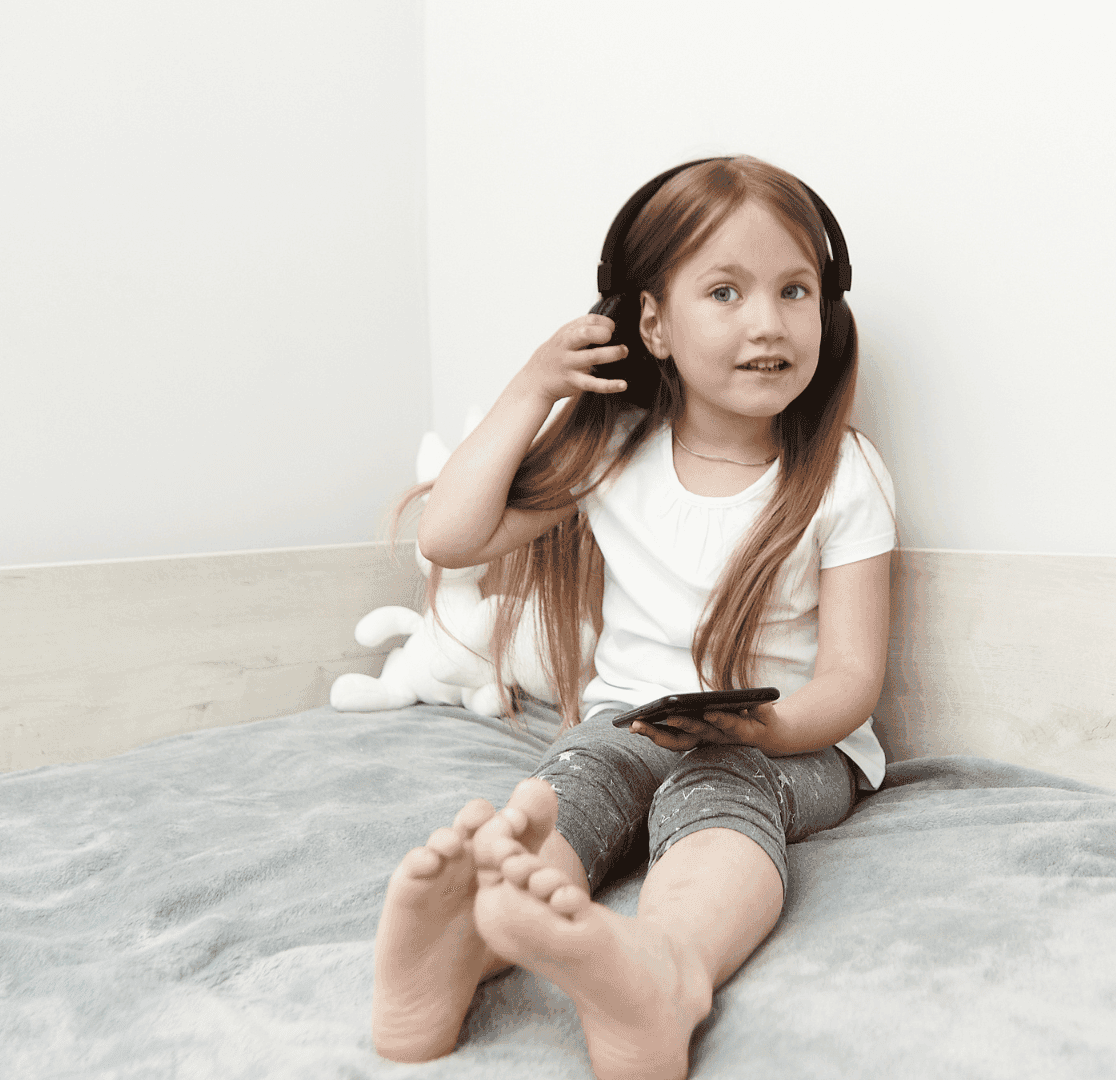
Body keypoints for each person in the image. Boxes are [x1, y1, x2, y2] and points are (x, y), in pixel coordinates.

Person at [368, 155, 896, 1080]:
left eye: (794, 289)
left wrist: (768, 728)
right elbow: (452, 537)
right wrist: (535, 386)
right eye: (725, 291)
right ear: (651, 321)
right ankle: (474, 945)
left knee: (717, 786)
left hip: (795, 743)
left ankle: (670, 969)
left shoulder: (843, 473)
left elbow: (852, 679)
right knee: (578, 778)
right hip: (630, 723)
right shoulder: (617, 448)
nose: (768, 322)